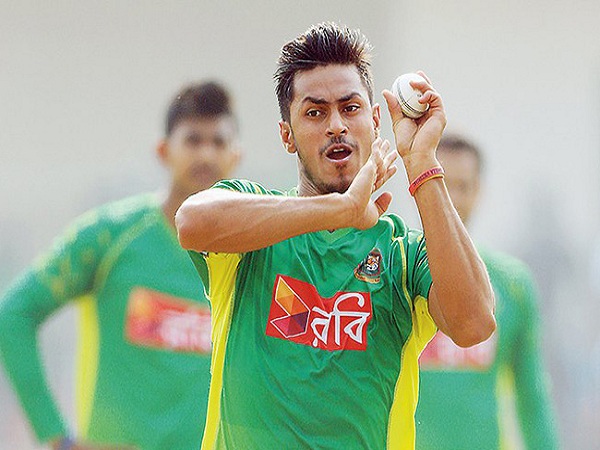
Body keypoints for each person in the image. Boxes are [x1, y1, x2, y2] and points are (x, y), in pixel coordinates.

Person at [175, 22, 496, 450]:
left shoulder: (403, 254)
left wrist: (421, 161)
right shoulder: (254, 220)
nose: (336, 126)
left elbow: (475, 323)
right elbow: (191, 222)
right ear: (287, 135)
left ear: (375, 120)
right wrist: (340, 209)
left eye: (350, 108)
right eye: (315, 112)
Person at [0, 81, 241, 450]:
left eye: (219, 142)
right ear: (163, 151)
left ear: (236, 156)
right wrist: (56, 437)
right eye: (193, 141)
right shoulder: (109, 237)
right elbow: (14, 314)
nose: (206, 154)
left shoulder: (251, 254)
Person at [415, 132, 559, 449]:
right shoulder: (394, 272)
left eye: (462, 187)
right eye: (442, 185)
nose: (452, 199)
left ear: (478, 191)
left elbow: (532, 398)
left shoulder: (512, 286)